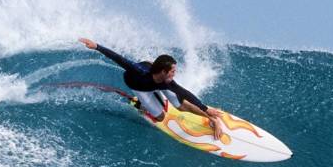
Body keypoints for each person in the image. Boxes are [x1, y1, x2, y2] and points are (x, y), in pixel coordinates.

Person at [78, 37, 224, 139]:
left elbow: (185, 93)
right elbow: (118, 58)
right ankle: (136, 102)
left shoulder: (167, 82)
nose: (175, 73)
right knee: (160, 117)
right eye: (173, 71)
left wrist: (206, 111)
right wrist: (96, 46)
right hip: (138, 85)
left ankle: (212, 119)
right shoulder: (138, 71)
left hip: (156, 79)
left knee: (181, 105)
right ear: (164, 71)